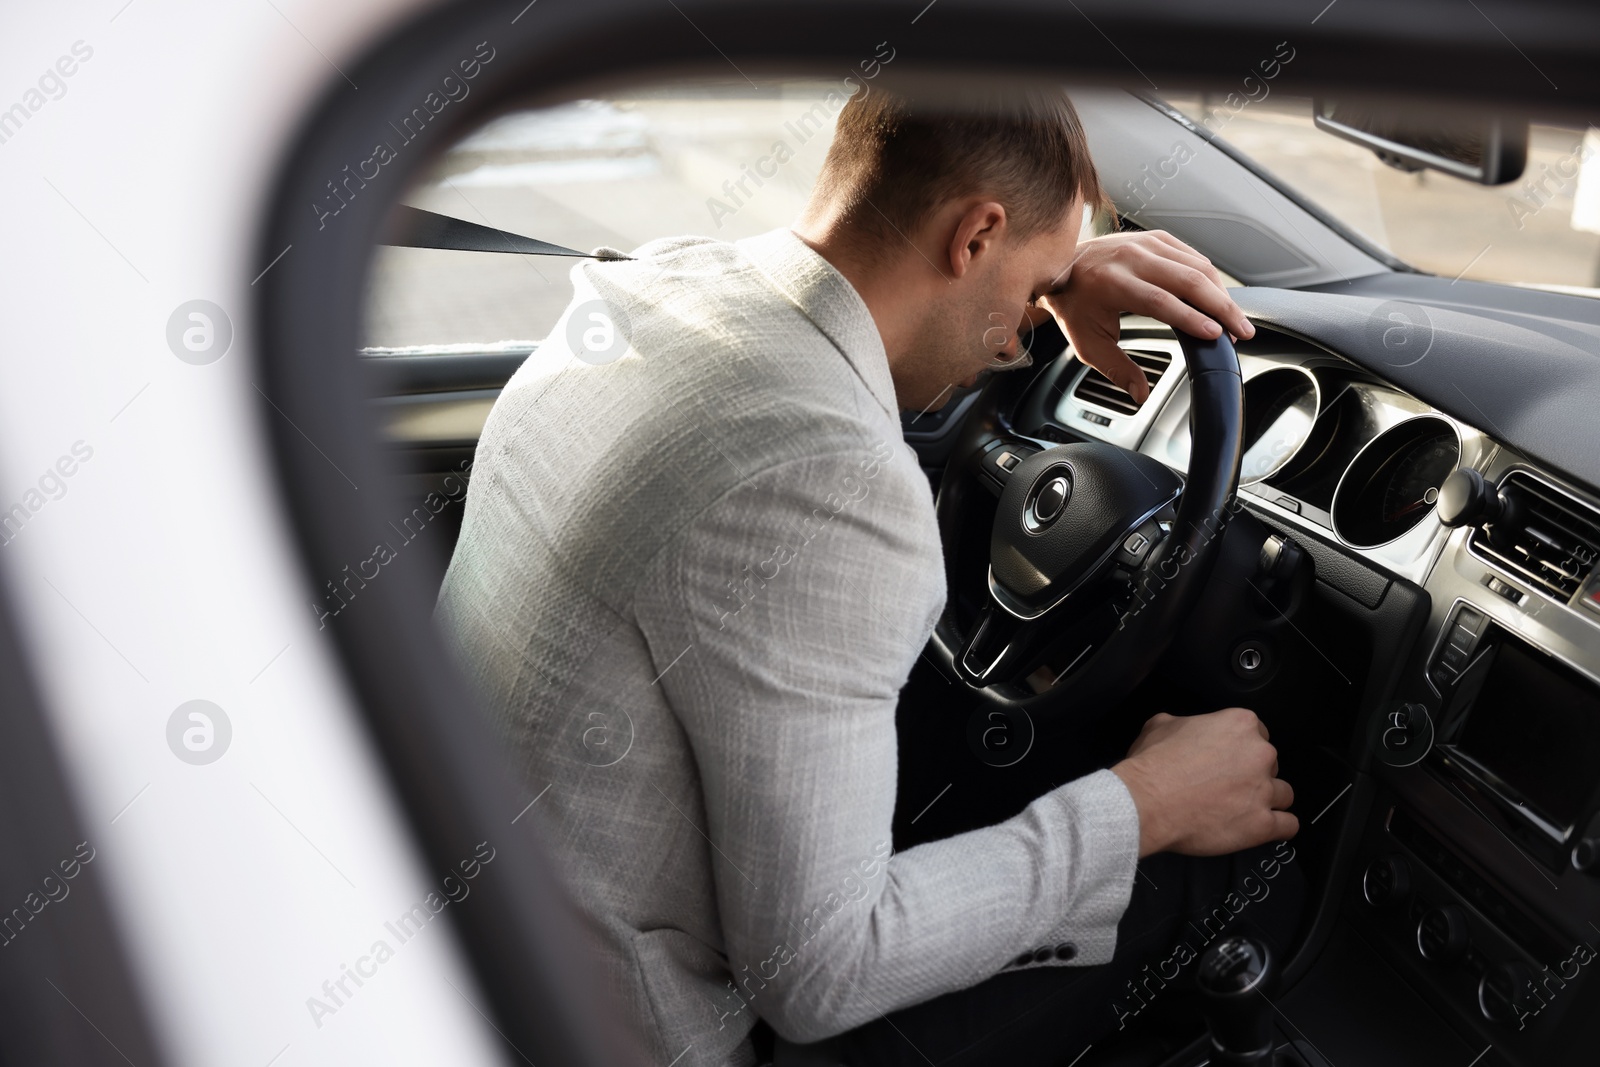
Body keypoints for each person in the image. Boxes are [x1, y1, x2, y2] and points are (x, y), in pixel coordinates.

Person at [434, 83, 1300, 1067]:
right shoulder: (833, 480)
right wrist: (1144, 803)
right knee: (1236, 861)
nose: (1026, 334)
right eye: (1031, 289)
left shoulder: (661, 295)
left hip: (491, 941)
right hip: (644, 1028)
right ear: (973, 234)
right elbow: (819, 972)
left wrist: (1046, 272)